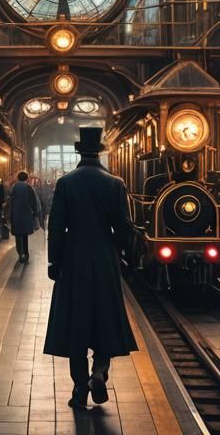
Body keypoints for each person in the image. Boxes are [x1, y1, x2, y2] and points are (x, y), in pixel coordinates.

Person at [44, 127, 138, 410]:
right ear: (100, 152)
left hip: (74, 258)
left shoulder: (66, 183)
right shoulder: (114, 183)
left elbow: (56, 226)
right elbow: (123, 226)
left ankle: (78, 389)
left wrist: (54, 261)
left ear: (78, 152)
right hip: (104, 257)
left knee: (76, 322)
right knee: (105, 317)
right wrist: (122, 254)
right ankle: (100, 372)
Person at [9, 170, 41, 263]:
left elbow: (10, 200)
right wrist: (35, 213)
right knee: (24, 236)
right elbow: (33, 201)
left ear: (18, 178)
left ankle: (20, 254)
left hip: (16, 214)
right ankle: (26, 254)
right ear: (26, 178)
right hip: (26, 214)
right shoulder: (29, 187)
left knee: (18, 236)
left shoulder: (14, 187)